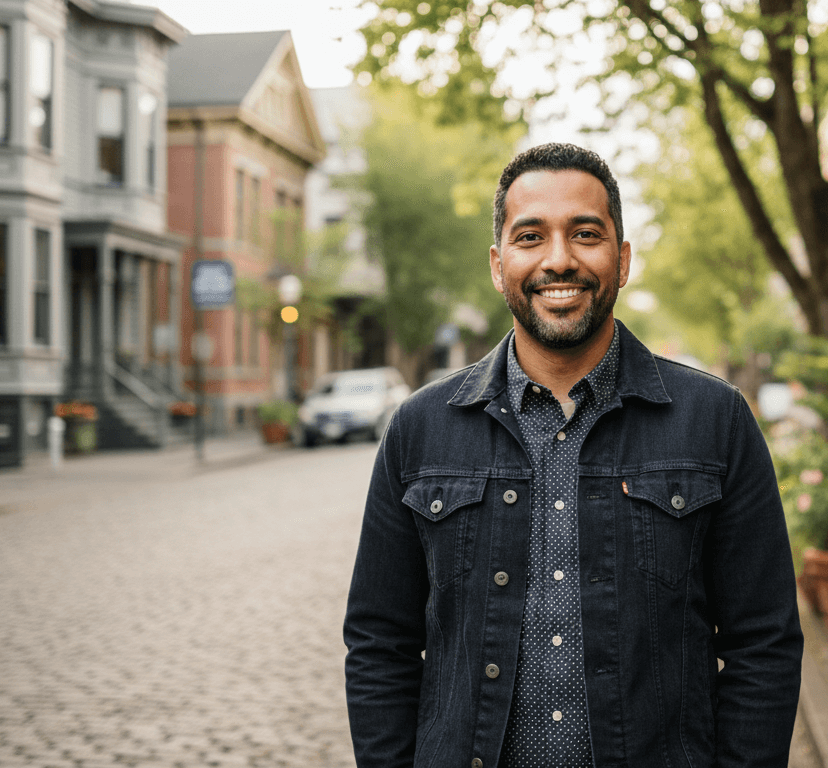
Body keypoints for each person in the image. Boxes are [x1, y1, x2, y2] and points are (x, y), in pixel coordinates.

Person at [344, 143, 803, 768]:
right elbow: (380, 644)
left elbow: (763, 645)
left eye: (585, 234)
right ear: (498, 263)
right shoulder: (420, 430)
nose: (559, 260)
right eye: (530, 237)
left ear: (623, 258)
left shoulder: (715, 421)